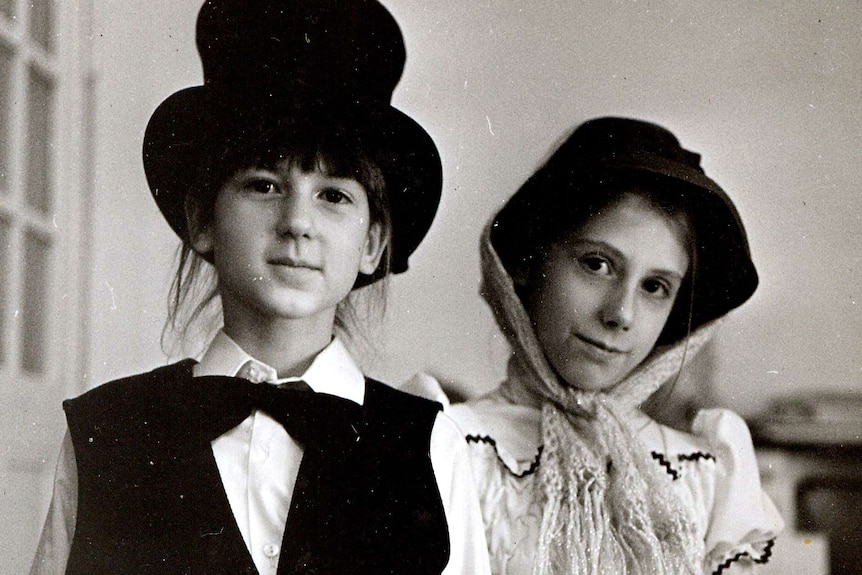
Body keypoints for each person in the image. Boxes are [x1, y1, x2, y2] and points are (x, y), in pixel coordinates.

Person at [29, 1, 490, 574]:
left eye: (334, 196)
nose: (297, 222)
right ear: (202, 221)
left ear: (372, 243)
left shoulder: (428, 445)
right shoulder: (108, 432)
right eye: (264, 185)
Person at [437, 117, 784, 574]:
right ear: (527, 261)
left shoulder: (703, 474)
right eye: (597, 264)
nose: (620, 314)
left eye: (655, 287)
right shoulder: (452, 448)